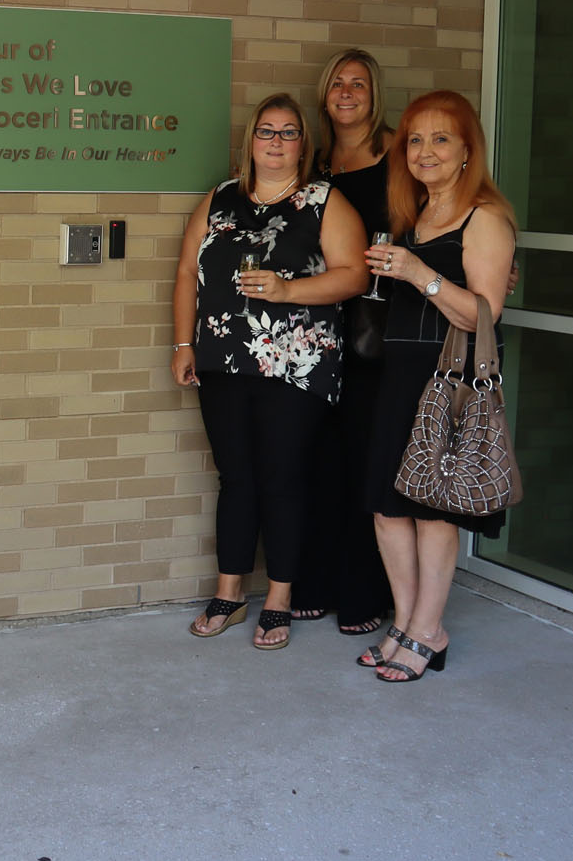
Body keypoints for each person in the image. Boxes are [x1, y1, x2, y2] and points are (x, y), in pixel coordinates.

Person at [173, 92, 369, 650]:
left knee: (282, 480)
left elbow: (354, 275)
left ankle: (279, 598)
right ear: (250, 139)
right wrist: (183, 342)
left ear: (303, 144)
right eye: (266, 131)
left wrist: (289, 290)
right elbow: (189, 271)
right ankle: (230, 592)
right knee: (236, 478)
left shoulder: (324, 201)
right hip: (223, 358)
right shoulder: (221, 197)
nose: (276, 141)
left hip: (296, 364)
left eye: (288, 132)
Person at [358, 90, 517, 682]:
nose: (425, 151)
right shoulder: (414, 215)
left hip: (447, 381)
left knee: (432, 510)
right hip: (400, 374)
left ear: (468, 150)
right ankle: (404, 623)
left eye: (440, 139)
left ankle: (430, 630)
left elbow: (485, 316)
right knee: (386, 505)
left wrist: (420, 274)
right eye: (415, 140)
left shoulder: (486, 217)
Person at [291, 49, 396, 633]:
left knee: (364, 457)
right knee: (315, 457)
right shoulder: (314, 160)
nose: (346, 91)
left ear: (373, 92)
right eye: (337, 82)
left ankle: (363, 591)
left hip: (375, 332)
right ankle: (315, 579)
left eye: (358, 83)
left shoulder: (400, 153)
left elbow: (448, 216)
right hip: (311, 329)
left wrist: (489, 265)